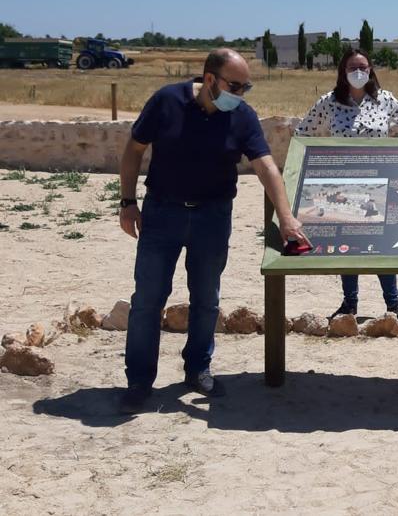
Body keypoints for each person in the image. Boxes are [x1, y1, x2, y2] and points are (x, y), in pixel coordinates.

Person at [117, 49, 309, 414]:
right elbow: (134, 148)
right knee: (147, 300)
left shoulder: (241, 115)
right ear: (209, 80)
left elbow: (266, 166)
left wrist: (286, 218)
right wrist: (127, 201)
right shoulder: (166, 101)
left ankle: (197, 369)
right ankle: (139, 382)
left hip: (213, 216)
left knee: (206, 298)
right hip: (162, 214)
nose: (241, 93)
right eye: (235, 85)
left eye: (245, 86)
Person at [296, 49, 398, 323]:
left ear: (370, 70)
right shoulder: (329, 102)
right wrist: (322, 161)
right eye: (352, 67)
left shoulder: (384, 99)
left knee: (381, 245)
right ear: (342, 71)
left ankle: (393, 304)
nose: (358, 72)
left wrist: (396, 156)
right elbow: (303, 133)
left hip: (379, 184)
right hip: (343, 185)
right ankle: (349, 304)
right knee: (347, 245)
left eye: (363, 66)